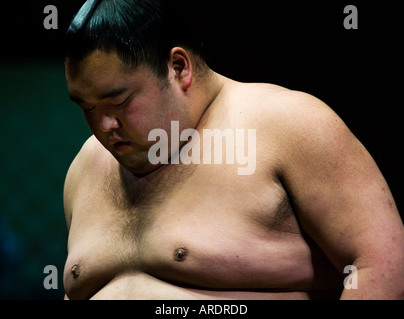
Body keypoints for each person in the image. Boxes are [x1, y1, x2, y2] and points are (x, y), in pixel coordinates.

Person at [62, 0, 404, 300]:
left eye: (118, 101)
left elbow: (384, 266)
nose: (104, 125)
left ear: (178, 68)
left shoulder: (288, 124)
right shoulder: (85, 167)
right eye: (86, 108)